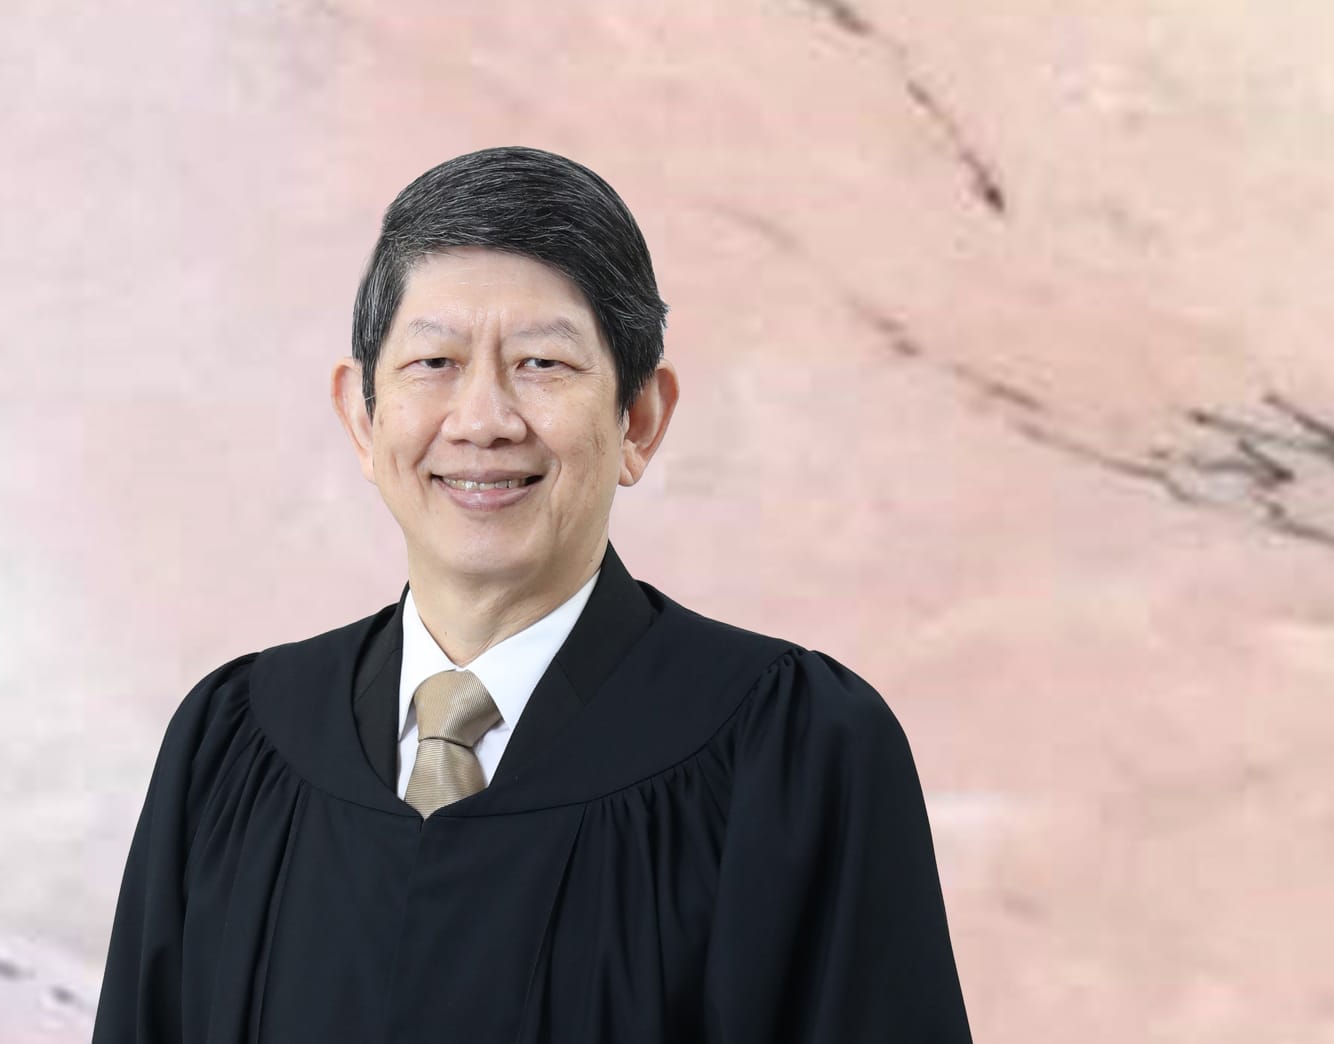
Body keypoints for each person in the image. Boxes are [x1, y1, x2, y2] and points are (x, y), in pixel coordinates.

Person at [91, 145, 972, 1043]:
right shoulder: (232, 745)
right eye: (434, 362)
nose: (481, 422)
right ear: (362, 417)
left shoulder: (792, 752)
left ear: (639, 421)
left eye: (542, 366)